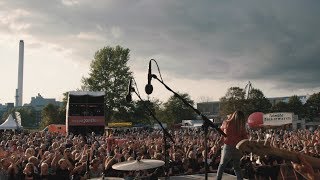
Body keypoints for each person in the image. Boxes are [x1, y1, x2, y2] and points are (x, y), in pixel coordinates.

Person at [216, 110, 248, 180]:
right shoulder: (241, 126)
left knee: (222, 165)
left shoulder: (227, 123)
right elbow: (245, 138)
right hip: (237, 147)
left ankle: (218, 179)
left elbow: (221, 131)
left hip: (228, 147)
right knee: (237, 167)